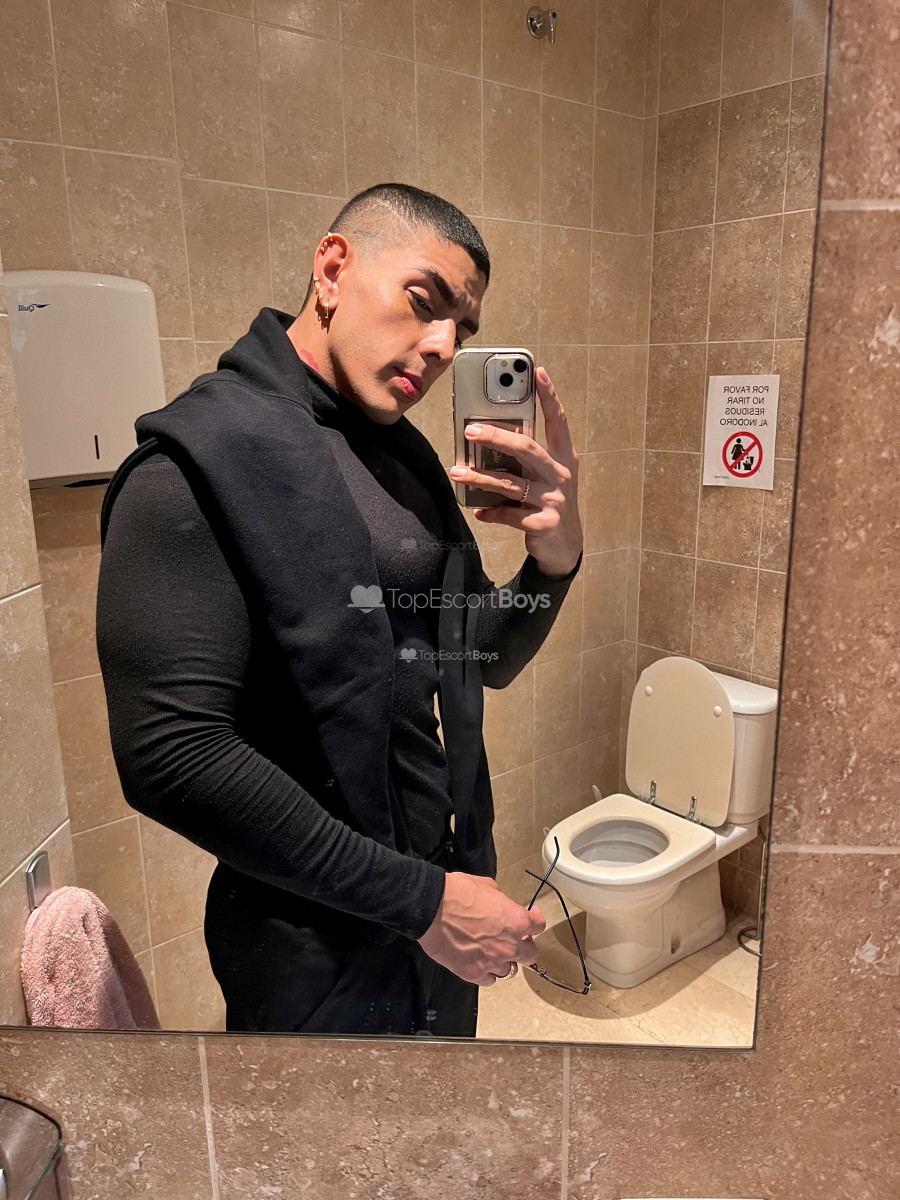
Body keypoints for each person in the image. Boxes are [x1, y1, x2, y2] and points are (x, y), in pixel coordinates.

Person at [96, 183, 584, 1038]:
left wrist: (555, 561)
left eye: (462, 330)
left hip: (431, 906)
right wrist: (423, 902)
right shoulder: (192, 464)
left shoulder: (404, 462)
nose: (442, 347)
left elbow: (481, 657)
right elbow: (170, 756)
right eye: (424, 302)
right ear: (331, 269)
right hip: (309, 942)